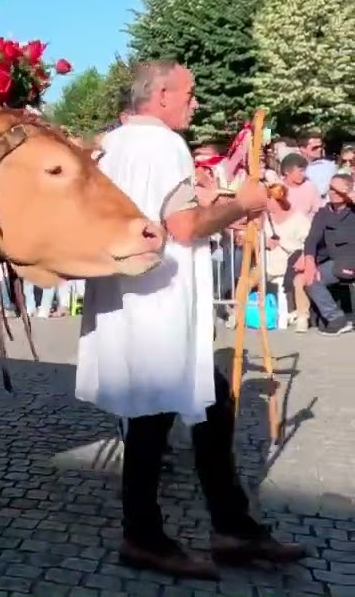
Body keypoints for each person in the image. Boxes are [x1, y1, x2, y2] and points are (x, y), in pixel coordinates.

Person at [76, 60, 304, 579]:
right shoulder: (162, 145)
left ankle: (231, 525)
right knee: (154, 419)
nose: (194, 102)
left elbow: (158, 212)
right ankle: (145, 536)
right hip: (159, 302)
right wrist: (240, 203)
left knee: (211, 405)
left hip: (132, 299)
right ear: (160, 96)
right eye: (188, 93)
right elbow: (181, 226)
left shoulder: (114, 144)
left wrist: (219, 204)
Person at [294, 173, 355, 334]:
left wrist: (351, 196)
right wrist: (309, 262)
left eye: (338, 189)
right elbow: (312, 239)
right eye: (330, 188)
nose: (333, 192)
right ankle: (336, 318)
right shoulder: (323, 213)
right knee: (310, 279)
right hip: (338, 261)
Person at [277, 152, 321, 220]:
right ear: (287, 171)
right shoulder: (277, 188)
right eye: (300, 171)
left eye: (304, 171)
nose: (303, 174)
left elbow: (317, 210)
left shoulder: (310, 187)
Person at [299, 130, 337, 197]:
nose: (320, 149)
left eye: (321, 146)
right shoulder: (295, 164)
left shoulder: (328, 166)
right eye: (315, 148)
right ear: (303, 149)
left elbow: (321, 190)